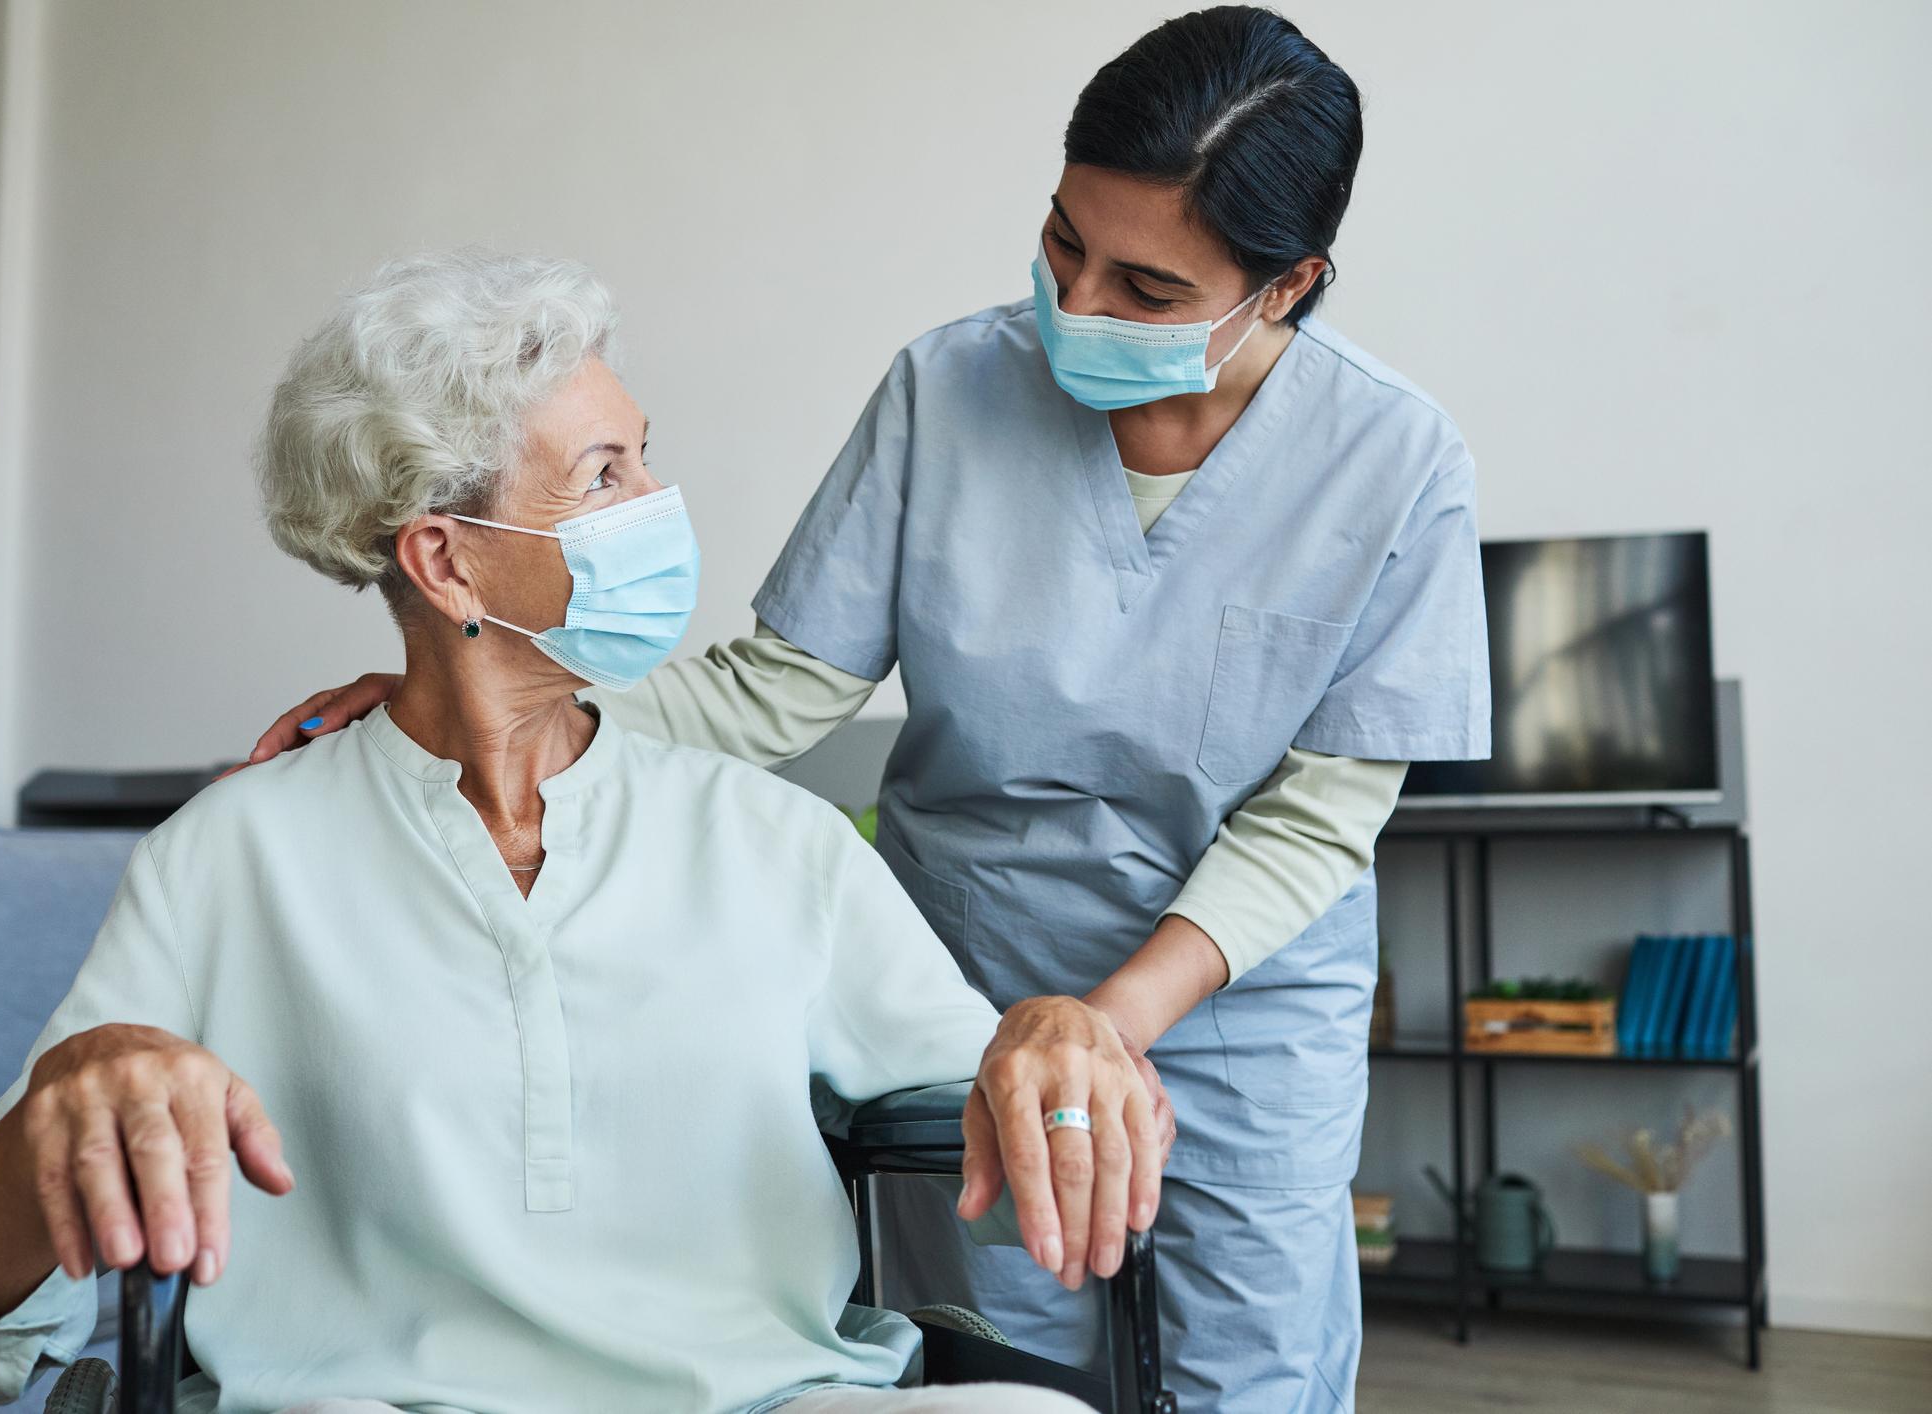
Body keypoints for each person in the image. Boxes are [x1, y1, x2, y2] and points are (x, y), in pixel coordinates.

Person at [240, 9, 1491, 1410]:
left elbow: (1319, 817)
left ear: (1286, 286)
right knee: (1011, 1354)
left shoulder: (1393, 460)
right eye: (1062, 244)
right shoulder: (948, 388)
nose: (1077, 306)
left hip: (1238, 1005)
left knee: (1247, 1373)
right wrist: (470, 707)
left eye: (1145, 288)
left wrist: (1104, 1019)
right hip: (969, 978)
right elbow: (777, 688)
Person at [0, 250, 1164, 1414]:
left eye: (642, 454)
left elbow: (1030, 1150)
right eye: (604, 475)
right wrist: (63, 1107)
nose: (660, 499)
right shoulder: (227, 857)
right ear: (446, 562)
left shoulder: (779, 842)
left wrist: (1053, 1052)